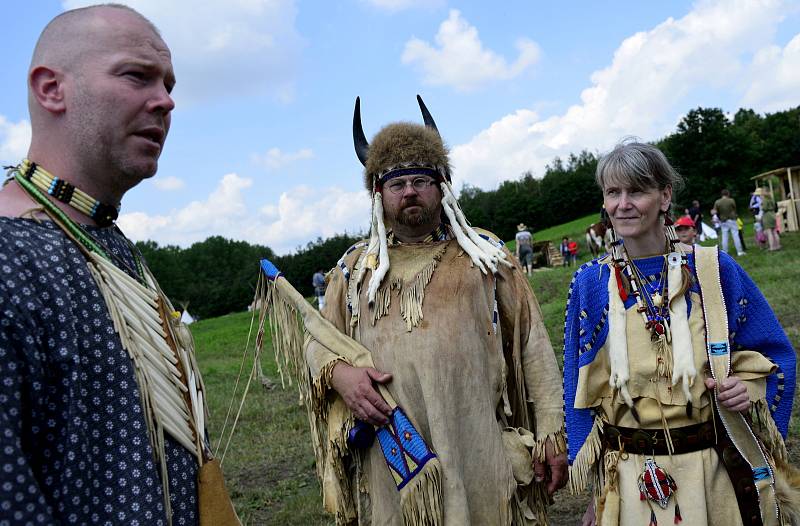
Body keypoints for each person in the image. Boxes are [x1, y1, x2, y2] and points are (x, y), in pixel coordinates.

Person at [0, 6, 237, 525]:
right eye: (137, 75)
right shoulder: (8, 261)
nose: (166, 100)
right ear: (51, 89)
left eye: (169, 84)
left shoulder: (110, 243)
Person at [299, 97, 567, 525]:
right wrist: (341, 375)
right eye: (396, 183)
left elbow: (534, 347)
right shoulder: (353, 271)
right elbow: (316, 344)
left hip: (477, 448)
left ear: (441, 186)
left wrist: (552, 432)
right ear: (377, 193)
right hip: (394, 463)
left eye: (421, 180)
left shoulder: (484, 255)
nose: (409, 191)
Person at [564, 142, 796, 526]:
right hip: (629, 477)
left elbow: (775, 354)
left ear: (665, 196)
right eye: (612, 192)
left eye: (636, 190)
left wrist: (747, 387)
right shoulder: (591, 282)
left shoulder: (712, 269)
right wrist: (597, 494)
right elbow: (577, 390)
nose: (623, 204)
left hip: (714, 473)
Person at [713, 189, 745, 256]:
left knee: (724, 237)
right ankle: (739, 251)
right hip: (732, 219)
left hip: (723, 221)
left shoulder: (717, 202)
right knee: (735, 235)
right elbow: (734, 209)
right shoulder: (731, 200)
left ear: (722, 194)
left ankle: (725, 252)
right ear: (728, 194)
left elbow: (715, 211)